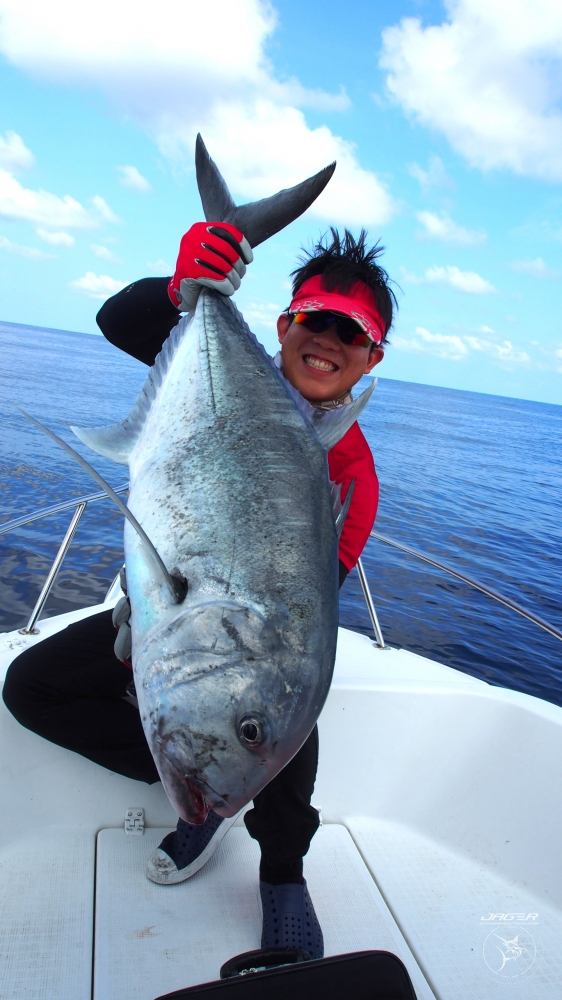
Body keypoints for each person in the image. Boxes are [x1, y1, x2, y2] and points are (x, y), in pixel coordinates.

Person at [3, 223, 396, 961]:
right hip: (157, 618)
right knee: (29, 689)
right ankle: (196, 778)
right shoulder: (213, 366)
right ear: (284, 325)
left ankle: (282, 873)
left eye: (353, 334)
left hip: (203, 629)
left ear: (371, 358)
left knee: (280, 727)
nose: (329, 341)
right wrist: (183, 288)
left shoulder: (354, 477)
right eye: (316, 321)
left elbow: (288, 634)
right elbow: (119, 321)